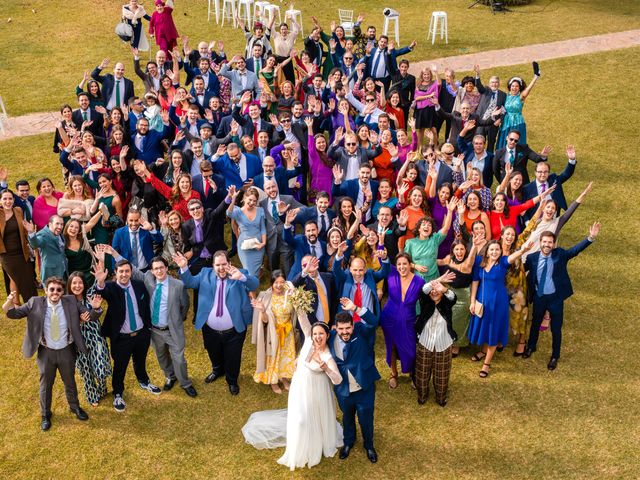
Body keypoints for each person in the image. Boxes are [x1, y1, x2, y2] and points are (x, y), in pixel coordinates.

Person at [241, 321, 343, 470]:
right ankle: (300, 441)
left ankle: (312, 444)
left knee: (308, 419)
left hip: (316, 392)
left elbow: (338, 379)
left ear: (327, 335)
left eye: (321, 334)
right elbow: (302, 319)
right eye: (315, 333)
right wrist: (297, 300)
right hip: (299, 388)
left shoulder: (327, 356)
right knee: (299, 419)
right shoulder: (309, 340)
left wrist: (326, 368)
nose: (317, 337)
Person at [2, 277, 99, 430]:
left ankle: (75, 407)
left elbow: (91, 316)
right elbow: (13, 314)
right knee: (46, 385)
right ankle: (45, 414)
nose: (55, 292)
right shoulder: (34, 302)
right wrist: (8, 302)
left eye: (58, 289)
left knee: (70, 382)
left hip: (66, 350)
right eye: (51, 289)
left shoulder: (71, 301)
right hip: (46, 352)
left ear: (62, 291)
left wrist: (96, 309)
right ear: (46, 290)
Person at [174, 250, 259, 396]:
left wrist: (242, 278)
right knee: (213, 351)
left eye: (224, 264)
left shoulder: (239, 273)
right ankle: (217, 370)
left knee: (233, 356)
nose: (221, 268)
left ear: (229, 263)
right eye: (218, 265)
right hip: (210, 328)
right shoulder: (205, 274)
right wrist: (184, 267)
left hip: (234, 329)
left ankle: (232, 380)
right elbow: (190, 282)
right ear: (213, 265)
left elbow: (254, 284)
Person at [523, 222, 601, 370]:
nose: (547, 245)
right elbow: (521, 270)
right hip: (539, 297)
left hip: (555, 298)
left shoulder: (560, 254)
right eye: (544, 242)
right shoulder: (532, 258)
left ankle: (555, 356)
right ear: (540, 243)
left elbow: (575, 250)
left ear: (553, 244)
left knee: (556, 328)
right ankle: (531, 347)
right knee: (535, 324)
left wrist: (590, 237)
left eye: (550, 242)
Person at [94, 259, 162, 412]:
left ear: (131, 272)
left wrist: (148, 328)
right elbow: (102, 292)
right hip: (121, 338)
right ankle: (118, 393)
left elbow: (144, 306)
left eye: (127, 271)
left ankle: (144, 381)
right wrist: (100, 283)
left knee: (140, 361)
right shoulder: (111, 288)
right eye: (121, 272)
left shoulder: (138, 285)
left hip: (141, 334)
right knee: (120, 367)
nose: (124, 274)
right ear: (116, 273)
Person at [468, 240, 534, 378]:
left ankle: (486, 363)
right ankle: (484, 350)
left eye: (497, 250)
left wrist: (523, 250)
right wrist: (473, 301)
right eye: (492, 250)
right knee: (485, 327)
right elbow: (475, 282)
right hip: (482, 301)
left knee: (493, 329)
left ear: (500, 251)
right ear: (487, 251)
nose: (494, 252)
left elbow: (512, 257)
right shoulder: (479, 262)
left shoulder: (503, 262)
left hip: (498, 303)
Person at [329, 307, 380, 463]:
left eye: (347, 328)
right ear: (335, 328)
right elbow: (311, 332)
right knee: (347, 417)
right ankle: (348, 442)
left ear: (353, 326)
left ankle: (369, 445)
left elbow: (374, 322)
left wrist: (356, 309)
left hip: (364, 387)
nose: (345, 332)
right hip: (343, 389)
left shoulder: (361, 333)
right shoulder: (329, 337)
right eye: (341, 329)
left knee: (366, 419)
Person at [379, 253, 425, 389]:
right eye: (399, 264)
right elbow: (383, 260)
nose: (401, 267)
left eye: (405, 263)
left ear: (410, 264)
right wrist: (381, 243)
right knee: (391, 346)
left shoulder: (419, 281)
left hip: (408, 320)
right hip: (389, 318)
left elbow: (427, 297)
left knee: (410, 347)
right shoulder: (391, 274)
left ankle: (412, 373)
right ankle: (394, 374)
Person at [67, 272, 112, 407]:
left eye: (80, 282)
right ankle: (92, 395)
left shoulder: (90, 295)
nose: (77, 286)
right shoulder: (66, 302)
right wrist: (78, 321)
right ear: (69, 285)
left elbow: (98, 284)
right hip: (79, 341)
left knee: (100, 366)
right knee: (86, 368)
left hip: (96, 337)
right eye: (74, 283)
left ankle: (102, 388)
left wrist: (96, 307)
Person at [251, 271, 298, 394]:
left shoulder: (290, 293)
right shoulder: (265, 297)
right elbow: (264, 322)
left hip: (287, 333)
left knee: (285, 356)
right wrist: (262, 311)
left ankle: (283, 377)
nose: (279, 285)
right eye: (276, 282)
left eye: (282, 282)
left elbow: (294, 313)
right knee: (273, 357)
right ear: (272, 283)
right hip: (273, 334)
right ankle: (273, 381)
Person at [415, 279, 458, 406]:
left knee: (442, 374)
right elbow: (423, 291)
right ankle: (422, 396)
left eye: (437, 290)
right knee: (422, 372)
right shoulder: (425, 301)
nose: (434, 292)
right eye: (432, 290)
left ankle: (441, 397)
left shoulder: (447, 303)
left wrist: (443, 289)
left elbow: (453, 297)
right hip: (425, 342)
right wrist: (435, 282)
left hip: (443, 343)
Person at [0, 190, 38, 304]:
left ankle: (32, 303)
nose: (8, 201)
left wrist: (30, 234)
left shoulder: (18, 210)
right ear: (0, 201)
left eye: (10, 198)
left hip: (22, 252)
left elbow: (23, 231)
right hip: (6, 255)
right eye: (5, 199)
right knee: (14, 278)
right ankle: (16, 304)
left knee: (28, 280)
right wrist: (3, 183)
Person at [495, 64, 540, 150]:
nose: (514, 88)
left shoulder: (521, 97)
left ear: (519, 88)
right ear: (510, 87)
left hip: (517, 121)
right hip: (506, 122)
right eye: (513, 86)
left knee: (517, 140)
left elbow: (528, 90)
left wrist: (536, 77)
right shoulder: (505, 96)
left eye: (516, 86)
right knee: (504, 140)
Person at [227, 186, 266, 278]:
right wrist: (233, 200)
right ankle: (250, 289)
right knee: (249, 271)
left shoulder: (260, 211)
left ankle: (252, 288)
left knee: (255, 273)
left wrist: (263, 243)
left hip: (258, 245)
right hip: (245, 247)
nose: (252, 203)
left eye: (255, 201)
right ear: (245, 198)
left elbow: (263, 229)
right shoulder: (238, 211)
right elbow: (228, 213)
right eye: (250, 200)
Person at [25, 215, 67, 283]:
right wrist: (31, 233)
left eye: (62, 224)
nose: (60, 226)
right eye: (57, 223)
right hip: (51, 273)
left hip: (63, 270)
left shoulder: (58, 232)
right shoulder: (43, 235)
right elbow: (35, 244)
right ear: (50, 224)